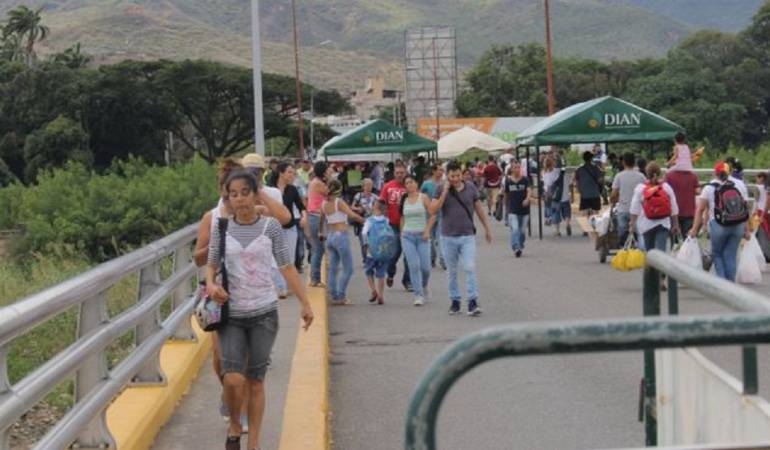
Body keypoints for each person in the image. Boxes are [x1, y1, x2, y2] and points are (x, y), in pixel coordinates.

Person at [206, 170, 313, 450]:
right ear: (227, 199)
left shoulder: (271, 228)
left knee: (255, 381)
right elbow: (212, 265)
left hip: (264, 313)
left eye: (244, 192)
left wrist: (305, 303)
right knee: (232, 378)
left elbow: (286, 267)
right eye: (233, 194)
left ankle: (252, 443)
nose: (239, 199)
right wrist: (210, 285)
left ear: (255, 194)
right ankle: (233, 422)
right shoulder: (221, 227)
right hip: (231, 314)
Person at [429, 160, 493, 316]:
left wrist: (487, 228)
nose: (455, 179)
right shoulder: (440, 189)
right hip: (448, 237)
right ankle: (455, 301)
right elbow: (433, 210)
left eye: (457, 175)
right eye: (452, 176)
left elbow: (478, 209)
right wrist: (445, 191)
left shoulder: (470, 187)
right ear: (447, 175)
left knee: (470, 267)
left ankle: (472, 301)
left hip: (467, 235)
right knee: (451, 271)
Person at [689, 161, 751, 281]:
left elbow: (700, 210)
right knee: (731, 255)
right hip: (738, 225)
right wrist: (747, 230)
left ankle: (722, 285)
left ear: (715, 173)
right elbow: (744, 208)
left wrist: (694, 229)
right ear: (728, 173)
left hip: (719, 225)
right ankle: (731, 286)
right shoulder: (738, 185)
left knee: (717, 254)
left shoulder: (709, 187)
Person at [321, 180, 364, 304]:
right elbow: (352, 215)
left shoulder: (324, 203)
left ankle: (334, 294)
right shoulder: (338, 202)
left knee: (334, 268)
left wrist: (320, 232)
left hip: (330, 235)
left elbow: (321, 219)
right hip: (341, 236)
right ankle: (341, 295)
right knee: (348, 268)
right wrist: (364, 220)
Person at [400, 174, 436, 306]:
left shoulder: (423, 197)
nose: (409, 185)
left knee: (426, 268)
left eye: (411, 182)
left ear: (416, 183)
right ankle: (418, 294)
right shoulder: (403, 199)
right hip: (408, 236)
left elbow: (433, 215)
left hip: (422, 236)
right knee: (413, 266)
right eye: (406, 183)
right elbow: (402, 217)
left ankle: (424, 285)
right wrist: (402, 233)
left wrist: (427, 230)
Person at [629, 162, 680, 256]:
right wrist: (675, 224)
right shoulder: (666, 187)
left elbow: (634, 208)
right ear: (659, 173)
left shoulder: (640, 189)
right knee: (661, 253)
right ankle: (660, 270)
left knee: (649, 254)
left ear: (646, 174)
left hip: (646, 224)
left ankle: (652, 270)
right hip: (663, 224)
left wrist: (632, 224)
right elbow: (674, 207)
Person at [276, 162, 307, 297]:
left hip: (290, 227)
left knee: (289, 259)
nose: (292, 175)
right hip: (274, 228)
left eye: (293, 173)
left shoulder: (292, 189)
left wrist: (304, 217)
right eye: (289, 172)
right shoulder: (271, 190)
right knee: (275, 259)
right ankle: (280, 286)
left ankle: (287, 286)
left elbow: (301, 207)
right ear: (281, 173)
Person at [379, 162, 411, 291]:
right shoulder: (388, 187)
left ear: (405, 173)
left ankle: (407, 281)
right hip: (393, 225)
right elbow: (381, 203)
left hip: (408, 225)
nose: (399, 175)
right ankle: (390, 272)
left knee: (408, 254)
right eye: (397, 173)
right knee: (396, 251)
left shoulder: (410, 186)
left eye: (402, 173)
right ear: (394, 174)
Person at [611, 152, 646, 244]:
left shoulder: (619, 176)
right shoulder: (641, 176)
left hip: (623, 209)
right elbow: (647, 191)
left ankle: (624, 249)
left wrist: (612, 202)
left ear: (624, 162)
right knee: (640, 234)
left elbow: (614, 194)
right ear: (634, 162)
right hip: (638, 210)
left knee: (623, 233)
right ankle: (640, 252)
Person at [362, 200, 390, 305]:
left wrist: (365, 244)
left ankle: (373, 290)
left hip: (372, 250)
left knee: (369, 271)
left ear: (375, 208)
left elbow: (364, 233)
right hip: (383, 250)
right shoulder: (386, 220)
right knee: (381, 273)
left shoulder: (369, 220)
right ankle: (381, 295)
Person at [664, 157, 700, 238]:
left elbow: (664, 192)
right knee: (688, 238)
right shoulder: (693, 176)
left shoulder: (669, 176)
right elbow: (698, 191)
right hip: (689, 211)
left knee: (673, 238)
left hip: (673, 211)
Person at [307, 162, 330, 287]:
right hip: (317, 217)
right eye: (327, 170)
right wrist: (331, 178)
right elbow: (332, 192)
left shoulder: (314, 182)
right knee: (318, 249)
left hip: (314, 217)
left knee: (317, 248)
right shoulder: (318, 184)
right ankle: (315, 279)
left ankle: (314, 278)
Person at [503, 160, 531, 258]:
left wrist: (527, 199)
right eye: (515, 167)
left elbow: (529, 190)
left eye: (519, 167)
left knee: (522, 231)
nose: (517, 169)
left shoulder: (525, 180)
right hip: (513, 210)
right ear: (511, 169)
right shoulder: (508, 181)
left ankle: (520, 244)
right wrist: (506, 209)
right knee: (515, 229)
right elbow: (506, 195)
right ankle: (516, 248)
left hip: (524, 210)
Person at [421, 163, 446, 269]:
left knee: (441, 237)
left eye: (442, 170)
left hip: (442, 214)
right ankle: (431, 258)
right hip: (428, 215)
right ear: (434, 171)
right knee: (430, 238)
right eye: (439, 169)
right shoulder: (426, 184)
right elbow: (421, 197)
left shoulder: (445, 184)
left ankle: (443, 260)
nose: (441, 172)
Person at [543, 156, 572, 237]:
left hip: (555, 198)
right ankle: (567, 224)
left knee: (555, 213)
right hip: (565, 197)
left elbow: (547, 187)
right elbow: (570, 183)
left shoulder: (548, 174)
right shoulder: (566, 173)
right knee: (567, 212)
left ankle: (557, 231)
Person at [352, 178, 377, 261]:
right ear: (363, 186)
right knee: (364, 243)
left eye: (371, 185)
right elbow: (352, 207)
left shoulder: (375, 197)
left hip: (372, 223)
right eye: (367, 185)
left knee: (372, 242)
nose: (369, 186)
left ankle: (370, 258)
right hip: (361, 222)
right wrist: (358, 209)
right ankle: (366, 258)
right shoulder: (358, 196)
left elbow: (381, 208)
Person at [574, 151, 605, 219]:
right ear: (591, 158)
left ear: (583, 158)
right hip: (595, 194)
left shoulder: (579, 169)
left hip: (584, 194)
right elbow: (600, 180)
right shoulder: (596, 168)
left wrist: (580, 190)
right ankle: (595, 228)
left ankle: (586, 228)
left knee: (585, 214)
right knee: (595, 215)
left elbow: (576, 182)